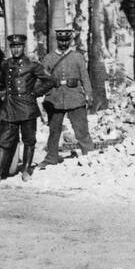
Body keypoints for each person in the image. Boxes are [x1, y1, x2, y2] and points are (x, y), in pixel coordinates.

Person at [0, 34, 55, 185]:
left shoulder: (32, 64)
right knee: (3, 141)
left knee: (28, 140)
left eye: (19, 47)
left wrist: (35, 93)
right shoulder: (6, 64)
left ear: (23, 47)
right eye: (13, 47)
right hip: (9, 107)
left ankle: (26, 170)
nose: (16, 50)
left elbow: (50, 80)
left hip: (27, 107)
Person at [40, 28, 93, 167]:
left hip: (75, 96)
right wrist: (42, 96)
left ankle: (89, 155)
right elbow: (42, 79)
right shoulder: (49, 58)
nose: (63, 43)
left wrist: (89, 94)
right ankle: (51, 157)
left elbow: (85, 77)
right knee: (54, 130)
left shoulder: (77, 57)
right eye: (61, 40)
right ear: (57, 40)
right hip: (55, 98)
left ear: (70, 40)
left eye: (66, 40)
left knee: (81, 129)